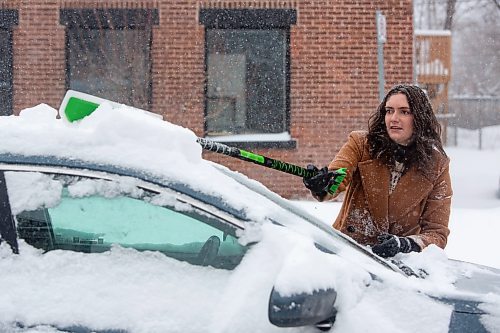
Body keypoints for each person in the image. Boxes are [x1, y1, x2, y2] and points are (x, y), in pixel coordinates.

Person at [303, 84, 452, 258]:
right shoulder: (361, 144)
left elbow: (437, 233)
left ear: (419, 118)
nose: (394, 118)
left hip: (397, 267)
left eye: (404, 112)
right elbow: (337, 177)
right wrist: (323, 184)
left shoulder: (436, 165)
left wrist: (405, 244)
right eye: (389, 111)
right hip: (348, 255)